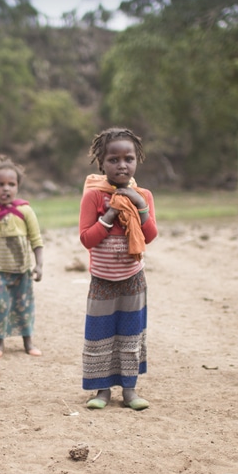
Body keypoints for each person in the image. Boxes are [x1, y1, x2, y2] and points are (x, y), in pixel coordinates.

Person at [78, 128, 158, 410]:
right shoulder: (94, 197)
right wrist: (110, 214)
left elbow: (149, 236)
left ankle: (130, 391)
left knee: (130, 334)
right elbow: (87, 238)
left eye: (128, 158)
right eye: (113, 159)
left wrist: (140, 206)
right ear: (102, 164)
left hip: (132, 279)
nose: (122, 164)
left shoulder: (143, 195)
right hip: (102, 280)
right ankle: (102, 391)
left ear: (137, 161)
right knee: (100, 334)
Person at [0, 156, 44, 357]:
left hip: (23, 271)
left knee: (24, 306)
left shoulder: (25, 211)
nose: (6, 189)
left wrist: (39, 266)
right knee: (0, 305)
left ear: (18, 186)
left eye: (11, 184)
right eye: (0, 184)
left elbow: (36, 241)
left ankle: (28, 342)